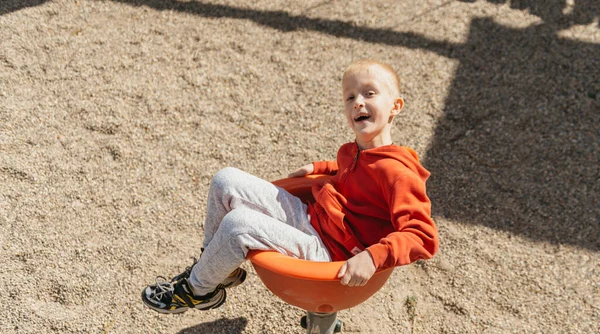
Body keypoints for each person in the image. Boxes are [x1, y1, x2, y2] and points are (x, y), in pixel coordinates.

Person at [142, 60, 439, 314]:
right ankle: (220, 269)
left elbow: (422, 236)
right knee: (225, 180)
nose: (358, 102)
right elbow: (355, 170)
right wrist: (320, 168)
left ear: (395, 107)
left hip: (334, 253)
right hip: (313, 219)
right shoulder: (353, 150)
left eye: (369, 93)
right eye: (350, 97)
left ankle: (198, 289)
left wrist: (374, 256)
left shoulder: (399, 174)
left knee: (238, 224)